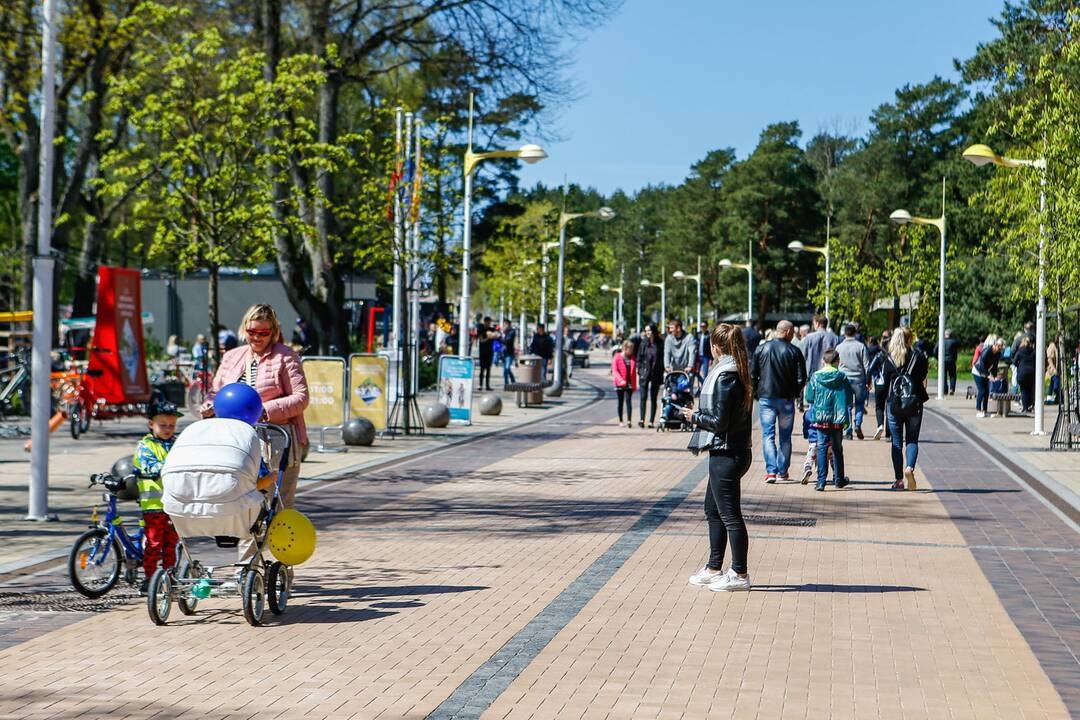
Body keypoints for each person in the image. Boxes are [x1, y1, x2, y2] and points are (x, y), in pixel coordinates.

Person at [201, 304, 309, 510]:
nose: (257, 337)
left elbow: (301, 397)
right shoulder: (232, 357)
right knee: (241, 506)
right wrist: (209, 405)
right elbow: (216, 391)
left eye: (263, 333)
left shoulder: (286, 357)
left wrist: (264, 410)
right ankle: (247, 543)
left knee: (277, 508)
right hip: (236, 440)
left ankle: (272, 542)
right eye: (252, 332)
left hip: (275, 439)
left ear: (273, 332)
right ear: (244, 329)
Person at [683, 323, 754, 592]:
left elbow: (720, 421)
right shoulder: (734, 371)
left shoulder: (726, 376)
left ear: (715, 347)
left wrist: (694, 417)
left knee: (730, 515)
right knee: (713, 510)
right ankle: (714, 567)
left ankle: (740, 572)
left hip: (728, 451)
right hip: (728, 450)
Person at [133, 399, 183, 594]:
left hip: (174, 502)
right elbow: (148, 466)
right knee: (154, 543)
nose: (168, 429)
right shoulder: (145, 445)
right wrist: (173, 468)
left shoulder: (177, 444)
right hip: (153, 504)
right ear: (151, 424)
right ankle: (150, 578)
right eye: (163, 425)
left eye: (172, 425)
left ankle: (169, 575)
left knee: (172, 543)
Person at [750, 320, 806, 483]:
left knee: (768, 435)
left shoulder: (761, 349)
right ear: (788, 332)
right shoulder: (794, 351)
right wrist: (795, 392)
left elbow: (753, 374)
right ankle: (782, 470)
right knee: (785, 437)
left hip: (766, 398)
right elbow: (802, 377)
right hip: (786, 399)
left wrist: (756, 393)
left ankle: (771, 471)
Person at [881, 326, 929, 491]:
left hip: (894, 405)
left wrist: (881, 406)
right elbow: (922, 376)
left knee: (896, 441)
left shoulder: (889, 358)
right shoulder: (919, 357)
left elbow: (884, 384)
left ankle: (899, 480)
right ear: (910, 340)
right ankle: (909, 467)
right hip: (914, 402)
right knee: (912, 439)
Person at [804, 348, 853, 491]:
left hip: (820, 417)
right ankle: (839, 480)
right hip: (838, 418)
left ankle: (821, 482)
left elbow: (809, 398)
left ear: (823, 361)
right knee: (837, 448)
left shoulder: (815, 376)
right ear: (837, 361)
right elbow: (849, 398)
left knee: (822, 447)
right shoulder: (842, 377)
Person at [798, 315, 839, 479]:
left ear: (816, 323)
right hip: (832, 381)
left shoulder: (808, 338)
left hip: (813, 381)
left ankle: (814, 456)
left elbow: (801, 359)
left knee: (814, 414)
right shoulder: (834, 337)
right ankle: (829, 464)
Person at [836, 323, 870, 440]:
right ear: (855, 333)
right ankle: (858, 423)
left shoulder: (839, 347)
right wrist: (868, 381)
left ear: (844, 333)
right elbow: (867, 365)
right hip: (859, 379)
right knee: (860, 403)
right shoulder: (861, 347)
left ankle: (848, 430)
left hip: (844, 379)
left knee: (847, 406)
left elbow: (836, 364)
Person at [636, 323, 665, 428]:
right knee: (643, 397)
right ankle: (641, 419)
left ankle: (651, 421)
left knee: (653, 397)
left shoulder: (660, 343)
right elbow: (639, 358)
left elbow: (662, 359)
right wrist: (639, 370)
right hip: (644, 373)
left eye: (649, 330)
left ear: (653, 331)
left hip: (656, 374)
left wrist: (662, 370)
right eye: (646, 330)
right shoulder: (643, 343)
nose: (647, 332)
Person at [867, 330, 893, 440]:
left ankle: (880, 425)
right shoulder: (894, 357)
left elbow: (870, 369)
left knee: (879, 407)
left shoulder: (879, 356)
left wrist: (869, 381)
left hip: (879, 384)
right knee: (889, 408)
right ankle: (888, 434)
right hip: (891, 385)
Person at [972, 334, 1005, 418]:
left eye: (1001, 348)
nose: (1000, 349)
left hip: (985, 372)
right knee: (982, 390)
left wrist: (994, 376)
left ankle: (985, 410)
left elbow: (994, 366)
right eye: (999, 347)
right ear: (994, 345)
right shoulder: (987, 351)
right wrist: (988, 376)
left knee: (986, 392)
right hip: (977, 371)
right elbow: (982, 365)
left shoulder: (997, 354)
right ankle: (978, 410)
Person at [611, 340, 637, 428]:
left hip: (629, 383)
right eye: (630, 349)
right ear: (625, 348)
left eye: (632, 349)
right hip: (620, 383)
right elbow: (614, 371)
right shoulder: (617, 357)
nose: (632, 351)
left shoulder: (632, 358)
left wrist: (634, 385)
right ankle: (621, 420)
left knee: (629, 401)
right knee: (620, 402)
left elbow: (633, 373)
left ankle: (629, 420)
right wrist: (621, 380)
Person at [1013, 335, 1036, 413]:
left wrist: (1019, 365)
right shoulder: (1033, 351)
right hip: (1031, 372)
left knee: (1023, 390)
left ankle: (1025, 407)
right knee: (1030, 389)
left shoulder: (1019, 351)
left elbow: (1014, 362)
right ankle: (1030, 406)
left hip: (1022, 373)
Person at [937, 329, 961, 396]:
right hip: (951, 360)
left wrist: (938, 358)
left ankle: (945, 390)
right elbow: (960, 343)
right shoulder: (954, 342)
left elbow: (934, 350)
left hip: (943, 361)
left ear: (944, 334)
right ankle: (952, 389)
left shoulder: (940, 341)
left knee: (943, 376)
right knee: (952, 375)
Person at [476, 316, 496, 391]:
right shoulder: (481, 329)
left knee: (488, 369)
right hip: (482, 352)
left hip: (490, 351)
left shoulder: (491, 329)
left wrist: (493, 335)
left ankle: (487, 385)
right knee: (482, 369)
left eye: (489, 322)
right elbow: (481, 340)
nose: (489, 323)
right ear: (485, 322)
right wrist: (488, 337)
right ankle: (480, 385)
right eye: (487, 322)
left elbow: (496, 336)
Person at [500, 319, 517, 386]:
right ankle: (512, 381)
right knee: (507, 369)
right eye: (503, 324)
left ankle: (507, 383)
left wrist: (500, 337)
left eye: (505, 324)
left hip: (509, 353)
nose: (504, 326)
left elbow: (507, 341)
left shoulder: (512, 332)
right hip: (504, 353)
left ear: (508, 324)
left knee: (506, 368)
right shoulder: (504, 332)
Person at [1047, 336, 1061, 405]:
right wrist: (1053, 368)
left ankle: (1050, 398)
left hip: (1057, 369)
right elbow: (1049, 358)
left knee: (1052, 384)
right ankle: (1057, 398)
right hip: (1053, 369)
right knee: (1056, 385)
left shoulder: (1059, 346)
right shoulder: (1052, 346)